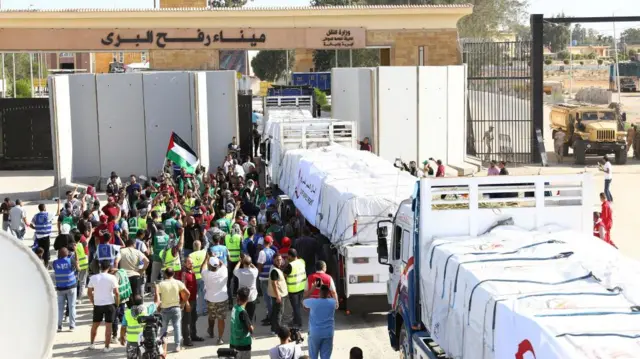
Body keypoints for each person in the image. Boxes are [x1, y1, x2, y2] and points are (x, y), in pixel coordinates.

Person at [88, 260, 120, 352]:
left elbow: (89, 292)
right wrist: (117, 304)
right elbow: (117, 293)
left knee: (95, 325)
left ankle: (92, 344)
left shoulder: (93, 278)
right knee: (108, 327)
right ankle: (106, 347)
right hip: (110, 304)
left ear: (100, 267)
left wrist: (93, 301)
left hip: (98, 304)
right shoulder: (112, 278)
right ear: (109, 268)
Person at [156, 267, 190, 353]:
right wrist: (183, 303)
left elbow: (157, 298)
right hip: (176, 308)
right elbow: (187, 293)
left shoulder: (161, 284)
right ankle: (177, 346)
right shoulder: (178, 283)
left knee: (163, 329)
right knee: (177, 327)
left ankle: (162, 347)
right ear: (173, 274)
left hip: (165, 309)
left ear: (165, 274)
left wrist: (159, 306)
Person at [175, 256, 203, 346]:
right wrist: (185, 302)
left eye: (192, 263)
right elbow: (183, 289)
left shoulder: (192, 272)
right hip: (188, 301)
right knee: (186, 321)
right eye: (189, 263)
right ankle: (186, 340)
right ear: (185, 263)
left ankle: (193, 335)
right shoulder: (184, 274)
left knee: (194, 318)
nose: (192, 264)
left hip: (194, 299)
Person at [303, 285, 337, 359]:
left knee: (313, 356)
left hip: (315, 333)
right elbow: (333, 298)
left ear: (319, 292)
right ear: (328, 293)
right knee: (326, 357)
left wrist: (311, 290)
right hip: (328, 333)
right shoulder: (332, 302)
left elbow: (303, 301)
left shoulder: (313, 302)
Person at [202, 255, 228, 345]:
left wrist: (206, 258)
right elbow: (223, 264)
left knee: (211, 316)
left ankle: (211, 330)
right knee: (221, 319)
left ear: (210, 265)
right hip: (222, 299)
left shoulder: (206, 274)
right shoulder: (224, 271)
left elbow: (203, 266)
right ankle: (220, 338)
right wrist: (217, 258)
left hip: (210, 299)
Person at [54, 247, 79, 332]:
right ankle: (72, 326)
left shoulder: (55, 263)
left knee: (60, 308)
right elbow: (78, 267)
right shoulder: (70, 260)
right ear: (67, 253)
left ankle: (59, 326)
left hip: (60, 288)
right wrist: (75, 252)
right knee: (72, 306)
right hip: (71, 286)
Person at [119, 238, 150, 305]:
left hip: (124, 276)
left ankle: (129, 310)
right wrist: (141, 270)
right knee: (136, 294)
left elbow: (116, 262)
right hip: (135, 275)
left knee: (126, 295)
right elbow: (147, 261)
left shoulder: (121, 251)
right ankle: (138, 310)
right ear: (133, 244)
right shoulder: (137, 252)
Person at [284, 249, 306, 329]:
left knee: (295, 307)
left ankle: (298, 323)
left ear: (290, 256)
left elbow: (284, 275)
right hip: (301, 287)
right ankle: (295, 320)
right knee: (297, 306)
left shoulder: (291, 265)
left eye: (288, 256)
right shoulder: (302, 261)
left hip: (293, 289)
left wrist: (286, 263)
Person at [230, 287, 254, 359]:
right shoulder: (243, 312)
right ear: (247, 298)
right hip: (243, 344)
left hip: (233, 341)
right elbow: (251, 329)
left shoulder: (234, 308)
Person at [110, 265, 133, 341]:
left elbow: (115, 289)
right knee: (122, 317)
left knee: (114, 318)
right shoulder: (122, 271)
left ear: (112, 271)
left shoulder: (116, 275)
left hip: (118, 299)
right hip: (124, 298)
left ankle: (115, 336)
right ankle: (124, 335)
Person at [234, 254, 259, 321]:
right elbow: (255, 268)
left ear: (243, 262)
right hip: (252, 297)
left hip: (241, 298)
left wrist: (240, 261)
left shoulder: (239, 272)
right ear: (250, 263)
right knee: (250, 316)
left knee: (241, 316)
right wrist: (250, 263)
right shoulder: (255, 272)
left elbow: (235, 269)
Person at [257, 235, 276, 324]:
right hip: (271, 277)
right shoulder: (273, 251)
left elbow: (260, 265)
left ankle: (270, 317)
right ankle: (271, 315)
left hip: (264, 278)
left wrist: (259, 274)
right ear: (269, 242)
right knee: (271, 298)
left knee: (267, 299)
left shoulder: (262, 252)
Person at [31, 202, 56, 266]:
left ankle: (39, 264)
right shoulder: (48, 214)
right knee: (46, 250)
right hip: (46, 236)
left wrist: (36, 228)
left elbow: (31, 224)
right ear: (44, 208)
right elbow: (57, 213)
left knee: (40, 250)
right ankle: (46, 264)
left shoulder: (36, 216)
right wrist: (58, 203)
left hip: (39, 236)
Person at [269, 253, 288, 334]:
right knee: (278, 313)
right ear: (273, 260)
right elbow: (274, 284)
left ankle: (274, 328)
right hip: (278, 295)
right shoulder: (274, 271)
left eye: (280, 259)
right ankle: (277, 330)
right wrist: (278, 296)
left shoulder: (276, 268)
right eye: (277, 260)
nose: (279, 261)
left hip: (278, 294)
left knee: (275, 311)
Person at [188, 239, 208, 316]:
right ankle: (205, 310)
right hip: (203, 276)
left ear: (193, 246)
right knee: (203, 293)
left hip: (194, 277)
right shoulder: (204, 253)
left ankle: (197, 311)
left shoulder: (191, 255)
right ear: (200, 246)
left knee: (195, 295)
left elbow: (189, 266)